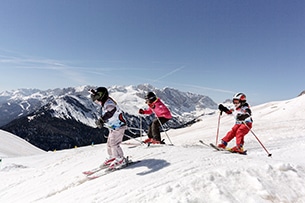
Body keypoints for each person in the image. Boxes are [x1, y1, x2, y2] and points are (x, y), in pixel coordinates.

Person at [90, 87, 127, 169]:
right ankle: (112, 157)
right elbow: (97, 100)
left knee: (114, 143)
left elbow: (111, 112)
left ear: (103, 95)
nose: (97, 98)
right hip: (113, 127)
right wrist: (93, 93)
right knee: (109, 143)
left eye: (98, 95)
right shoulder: (104, 101)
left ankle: (120, 159)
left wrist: (102, 120)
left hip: (119, 126)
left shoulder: (109, 103)